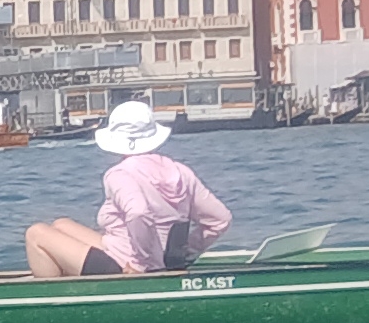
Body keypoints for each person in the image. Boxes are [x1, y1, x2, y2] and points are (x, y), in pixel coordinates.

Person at [28, 102, 235, 277]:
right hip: (162, 261)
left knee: (36, 234)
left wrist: (141, 263)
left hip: (128, 267)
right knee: (61, 224)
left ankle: (58, 301)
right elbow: (220, 219)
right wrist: (186, 250)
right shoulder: (181, 171)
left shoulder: (120, 174)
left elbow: (138, 213)